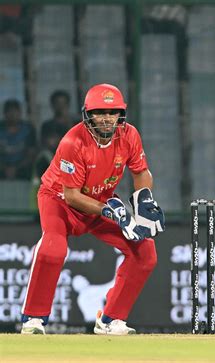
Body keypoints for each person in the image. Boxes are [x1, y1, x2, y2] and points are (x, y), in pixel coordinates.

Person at [20, 83, 165, 335]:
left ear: (121, 114)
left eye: (113, 113)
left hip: (102, 200)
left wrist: (144, 199)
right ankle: (33, 319)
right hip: (60, 200)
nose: (107, 119)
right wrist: (110, 211)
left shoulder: (129, 135)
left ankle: (110, 320)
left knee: (145, 252)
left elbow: (141, 172)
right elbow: (72, 196)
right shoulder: (72, 142)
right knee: (53, 249)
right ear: (88, 114)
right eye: (100, 112)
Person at [0, 99, 36, 180]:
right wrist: (5, 168)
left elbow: (31, 154)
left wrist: (16, 168)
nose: (12, 114)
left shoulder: (28, 129)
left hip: (22, 167)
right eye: (9, 111)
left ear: (20, 113)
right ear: (4, 113)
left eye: (15, 111)